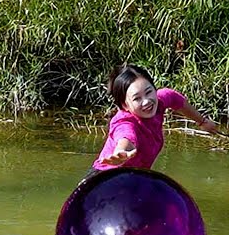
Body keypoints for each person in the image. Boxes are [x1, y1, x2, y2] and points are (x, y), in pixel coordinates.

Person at [87, 64, 217, 178]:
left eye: (149, 92)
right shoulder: (125, 123)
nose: (147, 101)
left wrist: (202, 121)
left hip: (135, 178)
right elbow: (126, 138)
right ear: (124, 105)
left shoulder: (160, 102)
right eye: (137, 98)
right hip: (103, 182)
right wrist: (121, 152)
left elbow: (175, 99)